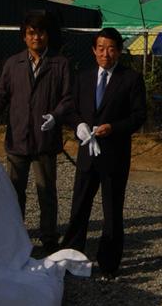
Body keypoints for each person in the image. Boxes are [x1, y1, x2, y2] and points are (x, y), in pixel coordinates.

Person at [0, 11, 73, 254]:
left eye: (41, 32)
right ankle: (15, 235)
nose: (36, 37)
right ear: (24, 37)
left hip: (45, 139)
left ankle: (49, 237)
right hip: (18, 138)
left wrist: (56, 115)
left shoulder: (60, 63)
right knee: (14, 191)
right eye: (31, 33)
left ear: (47, 36)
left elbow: (68, 97)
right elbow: (0, 94)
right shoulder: (13, 64)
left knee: (47, 191)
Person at [60, 28, 146, 277]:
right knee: (79, 207)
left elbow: (139, 115)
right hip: (87, 153)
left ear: (118, 50)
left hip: (114, 154)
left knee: (112, 210)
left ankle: (109, 264)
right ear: (93, 50)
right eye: (100, 48)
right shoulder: (83, 77)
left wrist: (114, 128)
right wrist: (79, 125)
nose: (105, 53)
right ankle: (72, 258)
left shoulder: (130, 78)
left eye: (110, 48)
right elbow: (70, 110)